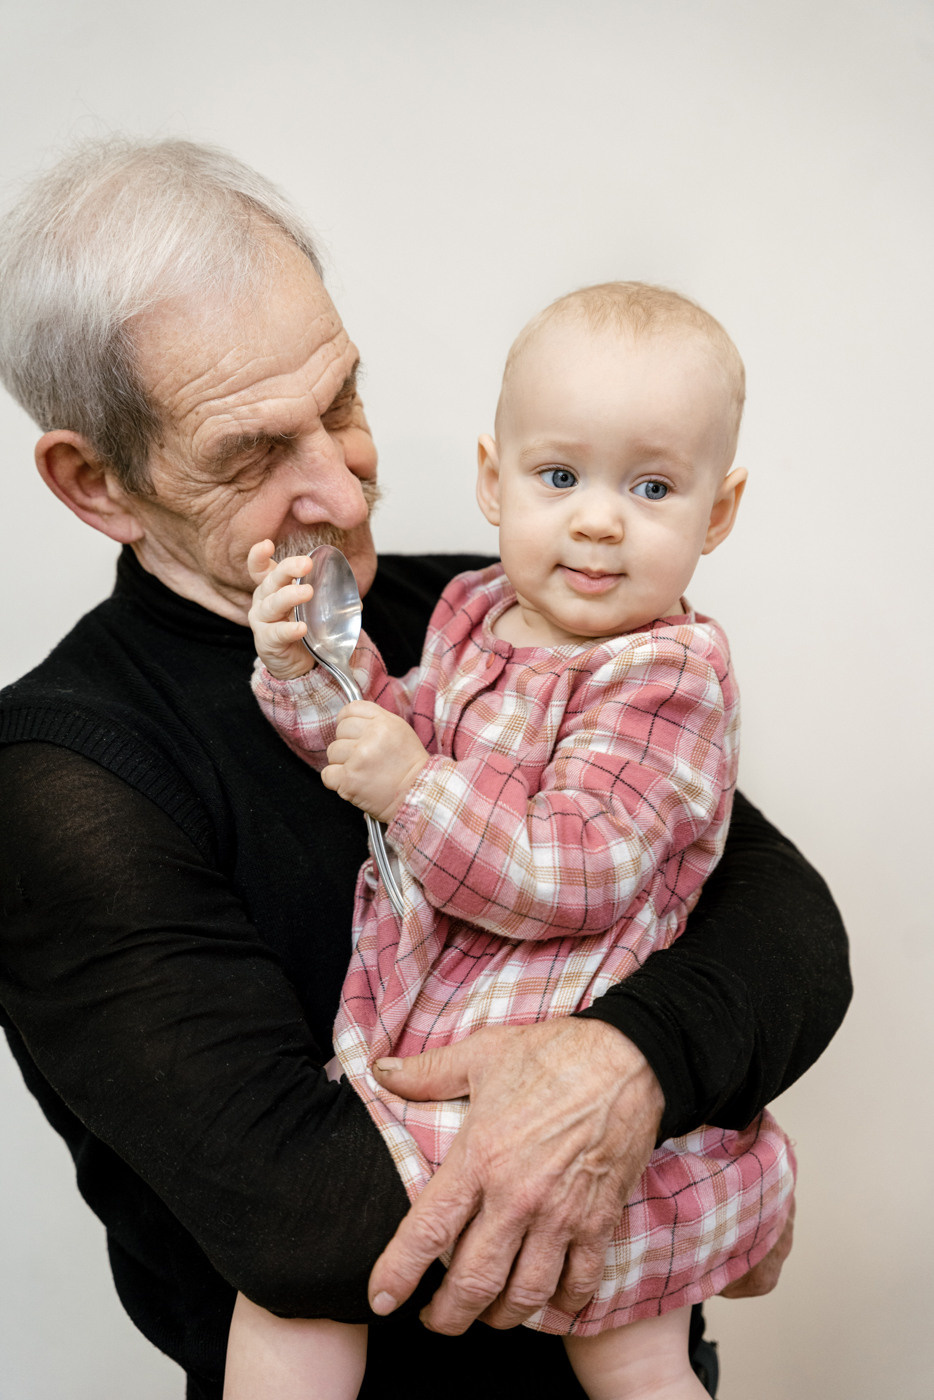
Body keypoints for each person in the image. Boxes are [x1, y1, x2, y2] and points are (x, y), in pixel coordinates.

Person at [0, 138, 850, 1400]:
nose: (343, 487)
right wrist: (690, 1127)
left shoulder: (477, 608)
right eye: (251, 453)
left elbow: (782, 920)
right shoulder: (63, 777)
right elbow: (310, 1218)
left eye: (341, 399)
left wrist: (625, 1063)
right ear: (96, 482)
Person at [236, 283, 794, 1399]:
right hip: (434, 1029)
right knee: (317, 1280)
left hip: (551, 1054)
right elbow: (383, 734)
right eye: (558, 476)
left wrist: (413, 789)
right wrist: (302, 668)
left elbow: (575, 871)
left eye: (650, 486)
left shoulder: (669, 676)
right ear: (493, 481)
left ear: (716, 513)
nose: (597, 518)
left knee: (302, 1291)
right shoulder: (473, 611)